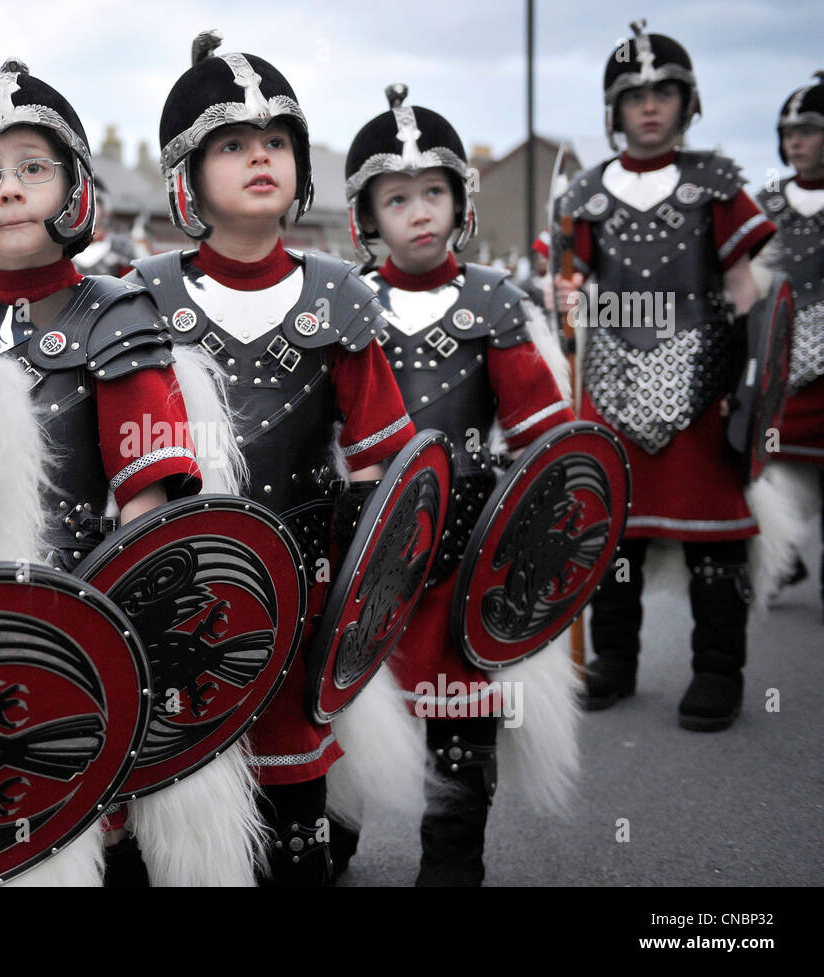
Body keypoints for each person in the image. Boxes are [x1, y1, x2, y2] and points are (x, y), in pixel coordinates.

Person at [0, 59, 277, 889]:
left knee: (102, 822)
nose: (10, 189)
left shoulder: (114, 314)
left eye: (33, 168)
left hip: (99, 626)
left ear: (74, 187)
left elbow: (150, 509)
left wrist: (97, 642)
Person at [128, 31, 418, 885]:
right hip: (183, 579)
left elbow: (381, 454)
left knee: (294, 763)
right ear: (189, 171)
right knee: (187, 758)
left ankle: (303, 841)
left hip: (309, 574)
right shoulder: (141, 295)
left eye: (276, 142)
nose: (261, 155)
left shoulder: (340, 293)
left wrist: (366, 574)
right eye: (232, 143)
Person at [337, 85, 577, 885]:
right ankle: (329, 840)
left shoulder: (493, 302)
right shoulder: (345, 305)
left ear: (460, 201)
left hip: (470, 548)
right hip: (368, 547)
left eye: (433, 191)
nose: (418, 210)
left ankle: (452, 862)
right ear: (367, 214)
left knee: (460, 715)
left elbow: (543, 432)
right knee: (346, 704)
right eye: (397, 196)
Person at [554, 20, 775, 731]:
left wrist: (750, 387)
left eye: (663, 92)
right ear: (612, 110)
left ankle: (718, 671)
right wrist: (565, 300)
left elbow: (747, 290)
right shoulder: (584, 193)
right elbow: (572, 285)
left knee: (715, 540)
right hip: (611, 382)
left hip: (702, 382)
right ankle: (615, 661)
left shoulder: (714, 183)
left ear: (688, 101)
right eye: (634, 95)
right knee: (616, 537)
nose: (649, 106)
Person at [750, 72, 824, 616]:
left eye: (809, 129)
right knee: (769, 475)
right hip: (778, 361)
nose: (796, 141)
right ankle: (780, 555)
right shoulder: (767, 202)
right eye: (788, 131)